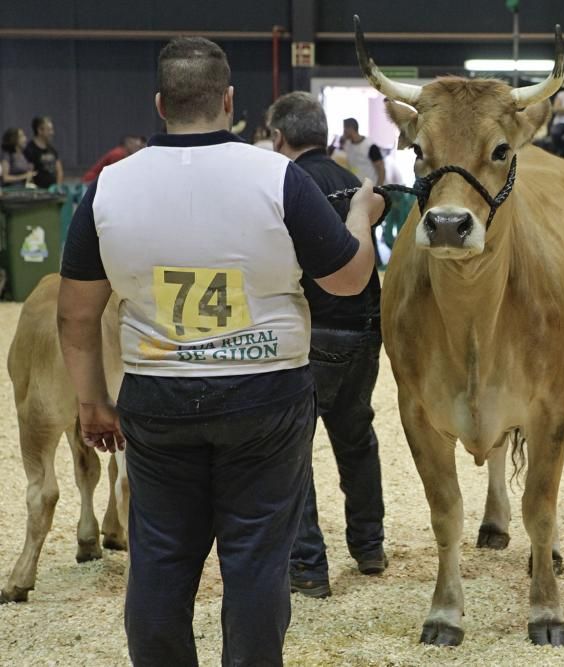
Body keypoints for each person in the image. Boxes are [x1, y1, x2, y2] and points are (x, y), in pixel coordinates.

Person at [57, 37, 383, 666]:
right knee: (258, 559)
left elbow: (75, 315)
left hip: (156, 395)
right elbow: (345, 279)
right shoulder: (276, 176)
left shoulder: (107, 188)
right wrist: (362, 219)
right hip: (266, 392)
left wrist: (92, 401)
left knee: (159, 557)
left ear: (160, 104)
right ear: (230, 102)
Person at [266, 91, 387, 598]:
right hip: (365, 328)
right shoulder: (352, 181)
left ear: (278, 136)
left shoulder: (286, 183)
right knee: (357, 436)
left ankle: (309, 567)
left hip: (312, 331)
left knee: (292, 449)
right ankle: (370, 547)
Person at [81, 135, 145, 184]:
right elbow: (117, 175)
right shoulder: (118, 154)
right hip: (92, 181)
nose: (137, 147)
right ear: (128, 143)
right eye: (134, 144)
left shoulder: (123, 154)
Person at [341, 117, 385, 185]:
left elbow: (381, 169)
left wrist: (379, 188)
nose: (343, 132)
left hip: (370, 188)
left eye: (344, 129)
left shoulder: (370, 146)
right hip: (355, 187)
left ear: (351, 128)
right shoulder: (347, 144)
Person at [23, 116, 63, 189]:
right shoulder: (29, 149)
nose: (52, 133)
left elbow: (59, 171)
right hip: (38, 192)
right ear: (40, 130)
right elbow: (28, 173)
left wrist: (57, 187)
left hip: (53, 191)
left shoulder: (52, 150)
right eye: (49, 130)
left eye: (52, 130)